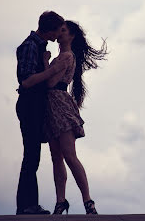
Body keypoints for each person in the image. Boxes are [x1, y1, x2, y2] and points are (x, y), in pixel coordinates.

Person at [43, 20, 107, 215]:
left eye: (63, 31)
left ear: (71, 36)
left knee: (69, 156)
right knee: (56, 158)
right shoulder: (61, 56)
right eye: (59, 29)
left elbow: (51, 81)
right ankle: (60, 201)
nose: (59, 33)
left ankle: (88, 200)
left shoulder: (66, 57)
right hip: (51, 107)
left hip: (60, 106)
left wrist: (45, 61)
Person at [15, 11, 70, 215]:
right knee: (31, 156)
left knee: (33, 155)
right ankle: (26, 206)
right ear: (50, 29)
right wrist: (52, 70)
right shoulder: (30, 46)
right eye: (58, 30)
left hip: (35, 105)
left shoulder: (38, 47)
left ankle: (30, 205)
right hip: (29, 104)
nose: (59, 35)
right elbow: (27, 81)